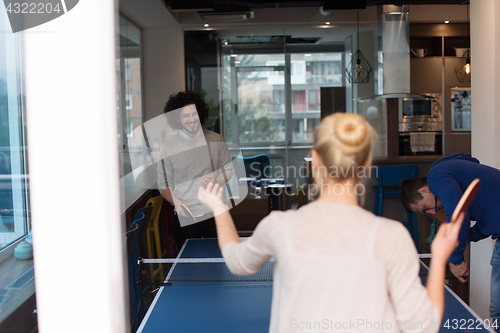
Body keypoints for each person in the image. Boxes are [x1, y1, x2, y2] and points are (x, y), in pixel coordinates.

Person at [198, 113, 463, 333]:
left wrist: (218, 207)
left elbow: (236, 261)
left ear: (316, 161)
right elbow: (422, 326)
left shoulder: (279, 225)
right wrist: (439, 258)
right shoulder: (392, 236)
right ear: (367, 164)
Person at [401, 153, 500, 324]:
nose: (433, 212)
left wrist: (455, 260)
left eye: (426, 209)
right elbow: (490, 219)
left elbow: (457, 214)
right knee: (497, 310)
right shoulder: (452, 172)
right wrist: (468, 236)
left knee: (497, 311)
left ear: (424, 190)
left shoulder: (436, 176)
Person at [157, 90, 233, 249]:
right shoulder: (168, 148)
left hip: (215, 213)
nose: (191, 119)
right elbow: (163, 184)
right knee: (189, 267)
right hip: (186, 217)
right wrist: (176, 203)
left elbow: (228, 171)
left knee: (220, 264)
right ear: (177, 118)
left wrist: (217, 179)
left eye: (194, 114)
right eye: (186, 115)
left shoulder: (217, 140)